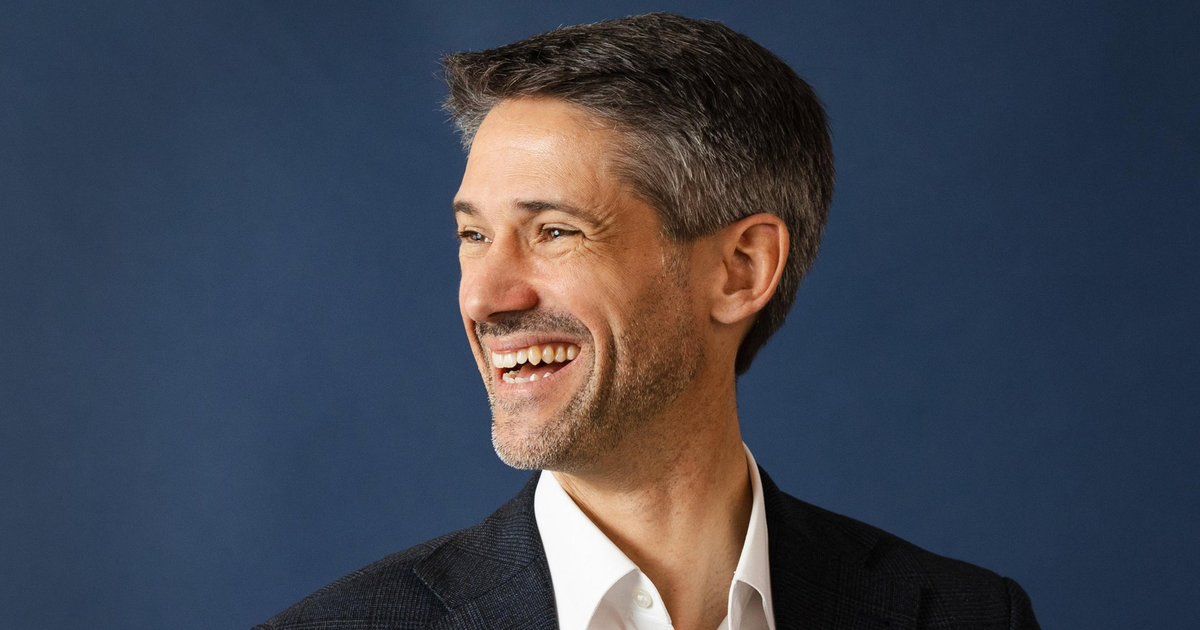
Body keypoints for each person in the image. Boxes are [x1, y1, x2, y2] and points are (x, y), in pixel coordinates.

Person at [256, 12, 1039, 630]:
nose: (485, 297)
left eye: (554, 230)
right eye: (473, 236)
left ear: (741, 270)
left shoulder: (963, 616)